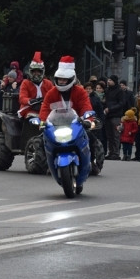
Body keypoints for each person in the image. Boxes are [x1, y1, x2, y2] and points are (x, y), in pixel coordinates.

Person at [38, 56, 96, 193]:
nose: (62, 82)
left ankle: (92, 163)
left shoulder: (80, 92)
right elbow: (45, 108)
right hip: (57, 126)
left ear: (71, 80)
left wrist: (88, 120)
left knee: (92, 139)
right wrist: (42, 121)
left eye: (64, 80)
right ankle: (46, 164)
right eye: (60, 80)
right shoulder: (52, 93)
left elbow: (86, 106)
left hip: (75, 125)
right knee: (42, 140)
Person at [17, 52, 53, 118]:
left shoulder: (48, 83)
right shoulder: (25, 83)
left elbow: (54, 96)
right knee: (31, 118)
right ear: (30, 72)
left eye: (38, 71)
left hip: (46, 109)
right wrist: (31, 101)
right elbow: (22, 98)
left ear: (42, 72)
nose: (36, 74)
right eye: (34, 71)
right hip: (30, 109)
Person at [102, 75, 128, 160]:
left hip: (116, 115)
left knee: (116, 135)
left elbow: (121, 103)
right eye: (108, 80)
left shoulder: (119, 91)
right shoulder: (107, 90)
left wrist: (111, 108)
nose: (108, 81)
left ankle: (116, 153)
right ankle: (111, 152)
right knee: (109, 135)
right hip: (108, 115)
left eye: (110, 80)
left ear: (114, 81)